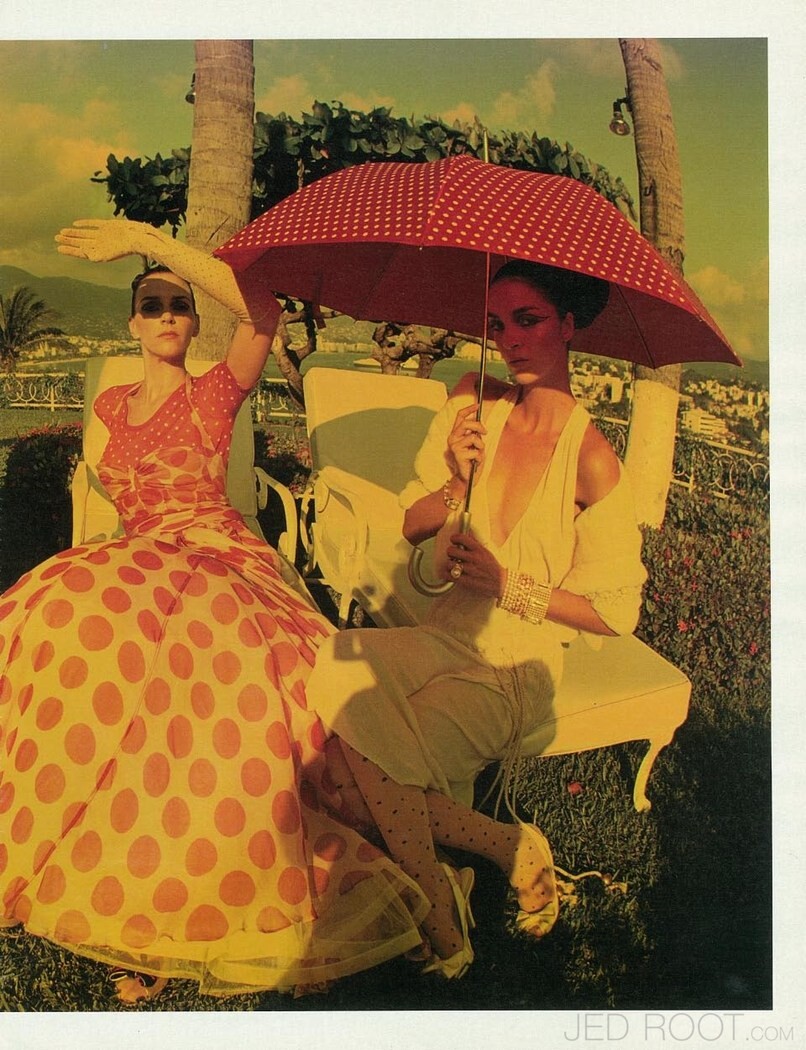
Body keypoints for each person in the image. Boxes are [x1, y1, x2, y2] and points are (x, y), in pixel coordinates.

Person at [0, 218, 430, 1004]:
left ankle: (168, 905)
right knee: (55, 632)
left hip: (214, 560)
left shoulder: (213, 392)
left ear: (195, 322)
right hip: (138, 567)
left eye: (179, 305)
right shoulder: (111, 408)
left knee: (196, 701)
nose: (167, 315)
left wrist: (153, 242)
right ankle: (96, 862)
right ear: (132, 324)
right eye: (152, 305)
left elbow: (263, 311)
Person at [306, 259, 648, 979]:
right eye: (496, 325)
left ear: (569, 325)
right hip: (443, 634)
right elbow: (414, 532)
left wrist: (509, 584)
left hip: (514, 669)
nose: (509, 340)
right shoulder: (473, 402)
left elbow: (617, 613)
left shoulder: (591, 461)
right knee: (324, 663)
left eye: (528, 320)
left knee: (351, 776)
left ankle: (439, 907)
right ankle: (505, 848)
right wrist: (457, 481)